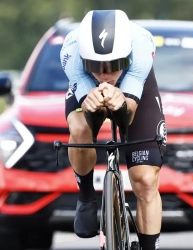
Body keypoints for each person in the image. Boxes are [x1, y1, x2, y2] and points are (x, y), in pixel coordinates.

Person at [60, 9, 166, 250]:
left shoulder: (141, 46)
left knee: (145, 179)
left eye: (114, 65)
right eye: (96, 66)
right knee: (79, 127)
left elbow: (127, 113)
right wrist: (90, 103)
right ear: (84, 60)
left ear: (126, 57)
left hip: (136, 87)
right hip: (84, 86)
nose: (105, 75)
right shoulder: (71, 51)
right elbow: (90, 112)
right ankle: (86, 196)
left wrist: (121, 102)